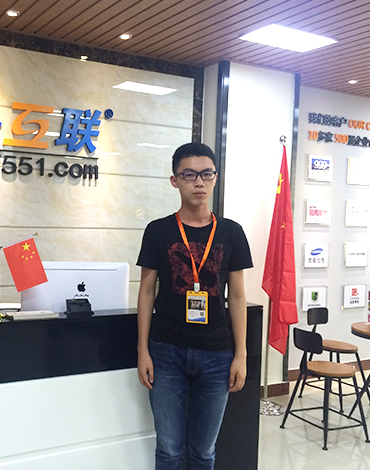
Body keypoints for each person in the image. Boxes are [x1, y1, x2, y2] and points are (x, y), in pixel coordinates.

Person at [136, 142, 253, 470]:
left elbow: (238, 296)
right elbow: (146, 291)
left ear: (215, 178)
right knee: (169, 450)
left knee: (204, 452)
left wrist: (241, 354)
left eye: (206, 174)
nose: (198, 182)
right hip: (166, 352)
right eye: (189, 174)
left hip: (217, 354)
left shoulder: (231, 232)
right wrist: (143, 350)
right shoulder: (158, 231)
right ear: (175, 180)